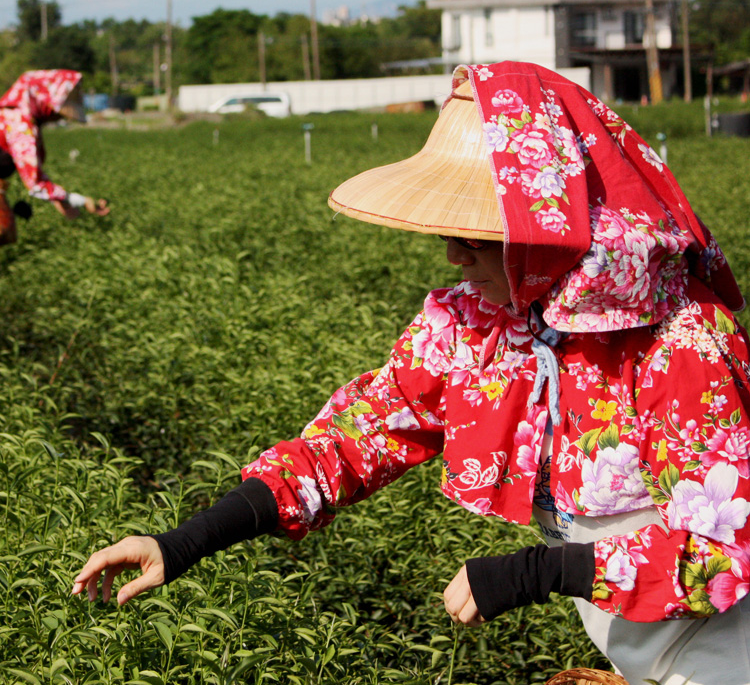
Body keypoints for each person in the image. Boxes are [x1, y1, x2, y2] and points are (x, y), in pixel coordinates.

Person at [72, 61, 750, 685]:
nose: (454, 255)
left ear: (557, 226)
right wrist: (184, 542)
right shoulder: (474, 330)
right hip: (638, 640)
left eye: (479, 233)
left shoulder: (678, 345)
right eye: (448, 231)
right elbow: (355, 438)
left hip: (725, 643)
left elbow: (727, 548)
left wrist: (541, 571)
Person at [0, 69, 110, 243]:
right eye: (56, 112)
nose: (57, 118)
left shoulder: (14, 116)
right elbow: (35, 182)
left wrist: (64, 201)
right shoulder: (18, 122)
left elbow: (37, 176)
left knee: (5, 230)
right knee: (3, 230)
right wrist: (79, 200)